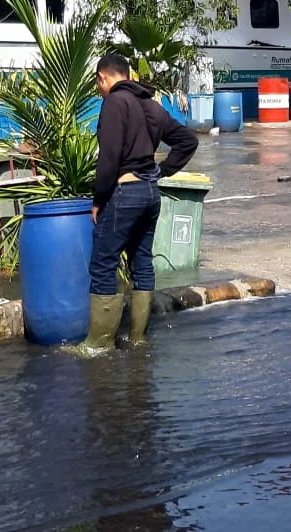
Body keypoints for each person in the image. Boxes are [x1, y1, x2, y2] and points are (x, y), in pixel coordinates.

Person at [75, 53, 199, 356]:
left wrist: (98, 199)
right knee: (141, 261)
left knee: (103, 263)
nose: (100, 90)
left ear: (103, 77)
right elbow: (187, 141)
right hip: (150, 194)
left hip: (125, 192)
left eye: (99, 85)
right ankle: (137, 338)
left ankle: (97, 345)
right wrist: (162, 171)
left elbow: (109, 159)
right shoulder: (152, 106)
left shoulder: (115, 103)